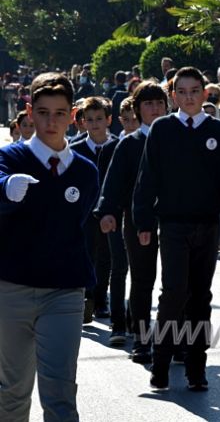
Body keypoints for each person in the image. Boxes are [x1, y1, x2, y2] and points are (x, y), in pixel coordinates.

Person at [133, 67, 220, 391]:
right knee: (173, 294)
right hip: (171, 225)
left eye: (194, 91)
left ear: (205, 93)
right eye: (181, 92)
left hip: (207, 225)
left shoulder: (217, 131)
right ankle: (160, 365)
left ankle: (196, 369)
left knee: (201, 297)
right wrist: (142, 221)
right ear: (174, 96)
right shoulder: (162, 129)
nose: (188, 97)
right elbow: (147, 178)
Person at [0, 72, 99, 421]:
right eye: (43, 112)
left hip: (64, 292)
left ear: (73, 116)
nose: (50, 121)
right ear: (30, 112)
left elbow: (79, 217)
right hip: (12, 289)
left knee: (59, 392)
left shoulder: (86, 171)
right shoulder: (10, 159)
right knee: (11, 392)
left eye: (60, 113)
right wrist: (6, 189)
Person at [95, 80, 167, 363]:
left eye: (159, 103)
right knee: (142, 279)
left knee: (178, 282)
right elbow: (112, 183)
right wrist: (108, 211)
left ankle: (179, 339)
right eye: (148, 104)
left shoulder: (180, 139)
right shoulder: (129, 143)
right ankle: (141, 337)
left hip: (176, 220)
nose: (155, 108)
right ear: (137, 109)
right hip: (137, 220)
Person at [70, 97, 119, 323]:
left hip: (111, 212)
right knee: (87, 254)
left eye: (99, 118)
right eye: (89, 119)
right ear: (82, 122)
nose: (95, 123)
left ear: (108, 120)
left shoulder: (118, 146)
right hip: (85, 213)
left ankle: (101, 300)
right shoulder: (75, 150)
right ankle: (86, 298)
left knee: (106, 258)